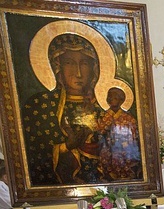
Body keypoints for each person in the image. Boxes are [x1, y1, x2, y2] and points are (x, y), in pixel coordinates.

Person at [22, 33, 104, 186]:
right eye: (69, 63)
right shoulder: (40, 105)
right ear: (57, 66)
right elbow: (34, 154)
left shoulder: (103, 108)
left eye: (84, 63)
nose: (78, 73)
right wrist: (66, 147)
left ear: (94, 68)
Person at [97, 87, 141, 181]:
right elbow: (99, 131)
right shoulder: (103, 116)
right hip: (108, 146)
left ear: (121, 100)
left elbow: (133, 133)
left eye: (115, 98)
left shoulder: (128, 117)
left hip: (125, 146)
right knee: (106, 154)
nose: (111, 100)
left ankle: (126, 175)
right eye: (109, 98)